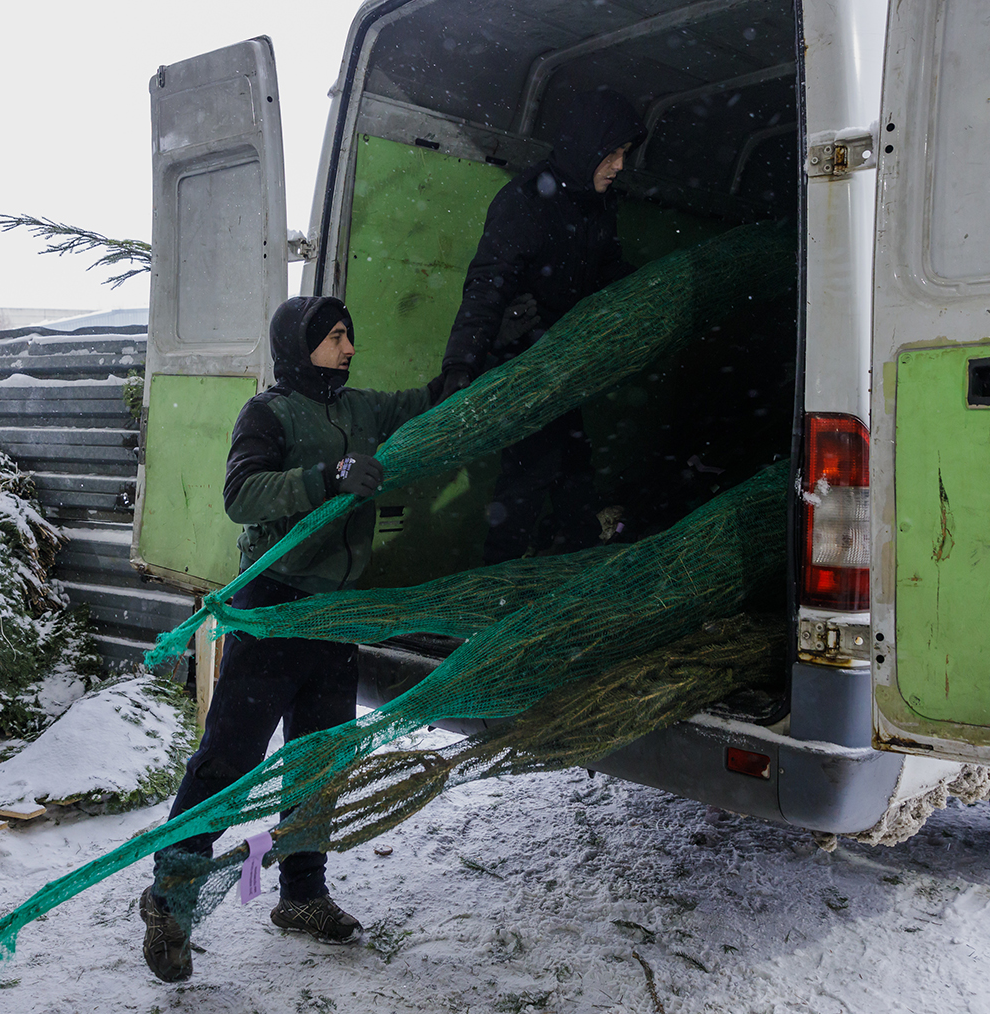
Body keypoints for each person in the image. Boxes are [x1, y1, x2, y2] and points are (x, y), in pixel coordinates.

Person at [140, 295, 444, 982]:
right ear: (299, 345)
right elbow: (241, 495)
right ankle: (171, 895)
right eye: (336, 337)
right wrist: (325, 477)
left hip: (334, 615)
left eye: (349, 335)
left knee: (318, 762)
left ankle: (301, 893)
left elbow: (429, 400)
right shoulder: (268, 413)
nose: (348, 347)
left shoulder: (361, 409)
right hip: (275, 610)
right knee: (230, 760)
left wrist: (488, 345)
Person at [440, 88, 648, 565]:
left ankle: (574, 578)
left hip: (563, 368)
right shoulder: (526, 201)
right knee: (530, 475)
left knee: (573, 471)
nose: (618, 165)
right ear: (586, 145)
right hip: (523, 366)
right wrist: (460, 367)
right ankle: (494, 595)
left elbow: (606, 270)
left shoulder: (598, 206)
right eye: (612, 153)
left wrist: (645, 287)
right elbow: (486, 287)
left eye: (623, 155)